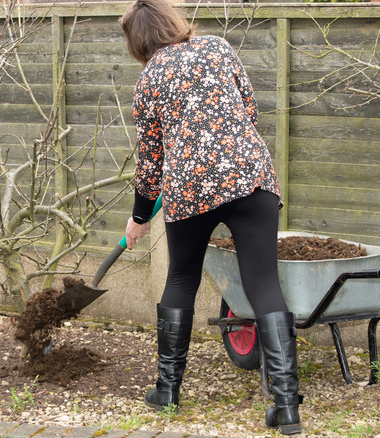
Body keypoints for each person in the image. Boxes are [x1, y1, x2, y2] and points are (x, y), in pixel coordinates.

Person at [119, 0, 302, 435]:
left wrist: (139, 217)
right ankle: (286, 406)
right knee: (264, 282)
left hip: (189, 188)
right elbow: (249, 112)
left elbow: (150, 162)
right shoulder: (218, 48)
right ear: (174, 22)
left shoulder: (149, 79)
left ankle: (168, 390)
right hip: (249, 176)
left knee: (182, 277)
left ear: (138, 40)